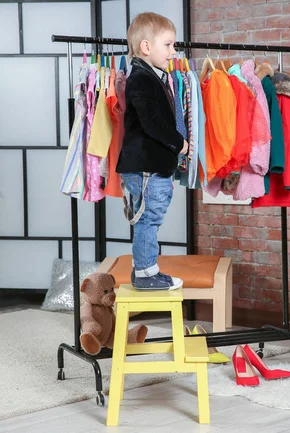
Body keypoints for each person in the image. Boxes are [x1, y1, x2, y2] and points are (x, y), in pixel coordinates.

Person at [116, 12, 189, 290]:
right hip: (146, 166)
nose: (173, 52)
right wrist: (179, 142)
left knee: (150, 217)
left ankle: (143, 270)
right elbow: (152, 122)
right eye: (168, 45)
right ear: (147, 47)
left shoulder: (152, 76)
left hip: (149, 166)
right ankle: (147, 273)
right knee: (149, 218)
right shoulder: (142, 78)